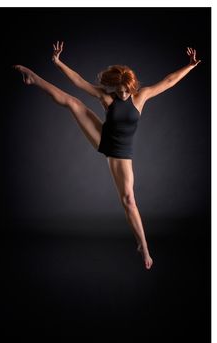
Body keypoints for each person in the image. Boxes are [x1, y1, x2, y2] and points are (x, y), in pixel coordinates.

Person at [14, 44, 201, 268]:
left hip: (121, 152)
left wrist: (189, 66)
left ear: (131, 87)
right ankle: (33, 78)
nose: (122, 94)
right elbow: (79, 81)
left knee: (128, 200)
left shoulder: (140, 97)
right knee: (73, 103)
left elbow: (169, 81)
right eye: (118, 89)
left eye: (125, 90)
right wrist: (58, 62)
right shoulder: (106, 97)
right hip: (104, 139)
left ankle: (143, 246)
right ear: (113, 86)